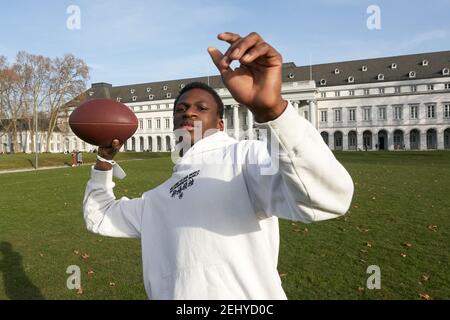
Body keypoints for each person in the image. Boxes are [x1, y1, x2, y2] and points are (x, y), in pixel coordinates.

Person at [83, 32, 354, 299]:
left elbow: (327, 199)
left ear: (221, 124)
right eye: (180, 109)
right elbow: (100, 216)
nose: (188, 112)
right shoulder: (158, 198)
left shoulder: (245, 157)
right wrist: (104, 161)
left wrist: (274, 112)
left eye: (201, 108)